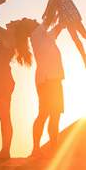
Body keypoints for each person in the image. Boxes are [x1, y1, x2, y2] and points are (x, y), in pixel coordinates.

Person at [0, 17, 35, 158]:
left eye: (14, 22)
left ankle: (5, 151)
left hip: (1, 81)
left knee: (5, 118)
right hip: (0, 81)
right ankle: (5, 150)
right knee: (4, 118)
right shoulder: (8, 37)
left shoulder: (8, 36)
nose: (11, 20)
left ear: (16, 28)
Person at [24, 19, 66, 157]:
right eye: (29, 20)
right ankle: (36, 149)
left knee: (54, 116)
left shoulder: (45, 36)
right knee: (45, 114)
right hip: (48, 81)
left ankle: (52, 151)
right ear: (30, 27)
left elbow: (58, 26)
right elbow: (49, 17)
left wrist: (63, 18)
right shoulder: (36, 34)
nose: (33, 19)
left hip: (53, 80)